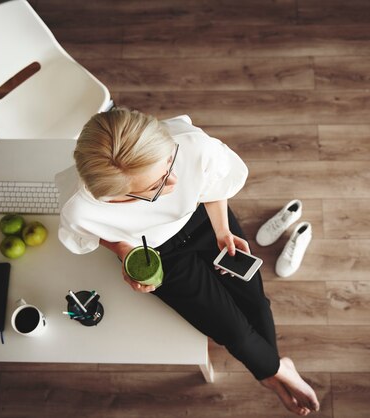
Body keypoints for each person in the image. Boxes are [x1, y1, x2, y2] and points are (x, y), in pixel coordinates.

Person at [55, 107, 320, 416]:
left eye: (169, 163)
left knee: (257, 303)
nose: (174, 182)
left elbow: (212, 183)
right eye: (156, 188)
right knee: (232, 333)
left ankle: (272, 370)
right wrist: (125, 253)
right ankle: (276, 370)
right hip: (159, 253)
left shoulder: (192, 145)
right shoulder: (80, 209)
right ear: (116, 195)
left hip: (204, 222)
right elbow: (94, 232)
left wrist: (222, 230)